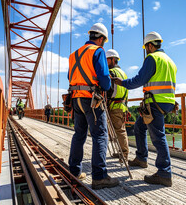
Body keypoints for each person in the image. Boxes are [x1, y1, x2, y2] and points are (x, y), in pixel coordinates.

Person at [112, 31, 177, 187]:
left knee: (158, 137)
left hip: (155, 102)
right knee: (139, 127)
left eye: (146, 48)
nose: (146, 50)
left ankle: (164, 173)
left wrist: (122, 83)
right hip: (167, 101)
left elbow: (140, 80)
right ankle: (141, 158)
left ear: (149, 45)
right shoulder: (170, 61)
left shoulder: (152, 58)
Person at [68, 23, 119, 190]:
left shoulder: (73, 55)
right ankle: (99, 176)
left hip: (76, 99)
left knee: (79, 134)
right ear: (101, 39)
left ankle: (74, 171)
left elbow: (70, 76)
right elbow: (104, 78)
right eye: (104, 40)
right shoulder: (98, 51)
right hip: (92, 99)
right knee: (100, 135)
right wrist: (106, 87)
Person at [106, 49, 129, 160]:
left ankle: (124, 154)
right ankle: (121, 152)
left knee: (119, 131)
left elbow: (108, 90)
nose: (105, 62)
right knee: (119, 130)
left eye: (107, 60)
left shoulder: (111, 73)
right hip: (121, 105)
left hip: (114, 105)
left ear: (112, 60)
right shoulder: (123, 73)